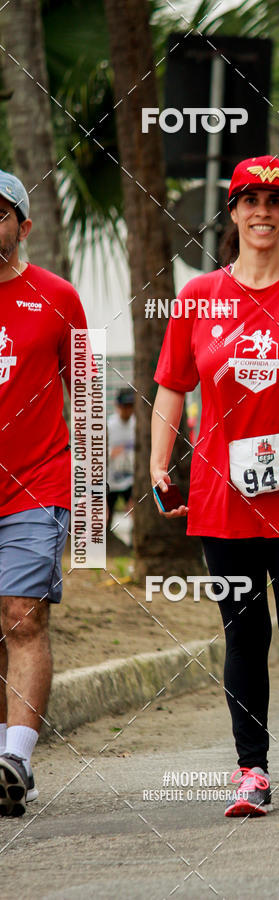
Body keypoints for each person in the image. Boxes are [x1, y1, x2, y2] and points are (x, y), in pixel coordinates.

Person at [151, 156, 279, 817]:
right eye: (251, 200)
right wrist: (159, 463)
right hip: (221, 494)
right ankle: (251, 770)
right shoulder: (197, 297)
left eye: (276, 200)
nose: (262, 210)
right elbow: (172, 388)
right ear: (232, 211)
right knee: (243, 633)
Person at [0, 170, 88, 816]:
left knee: (21, 616)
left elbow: (86, 400)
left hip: (38, 484)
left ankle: (17, 758)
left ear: (22, 226)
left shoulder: (59, 297)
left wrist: (91, 518)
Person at [107, 388, 135, 531]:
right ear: (118, 406)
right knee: (107, 515)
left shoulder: (137, 425)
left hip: (130, 479)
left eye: (130, 406)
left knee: (135, 510)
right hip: (112, 480)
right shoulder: (110, 425)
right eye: (125, 406)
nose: (127, 410)